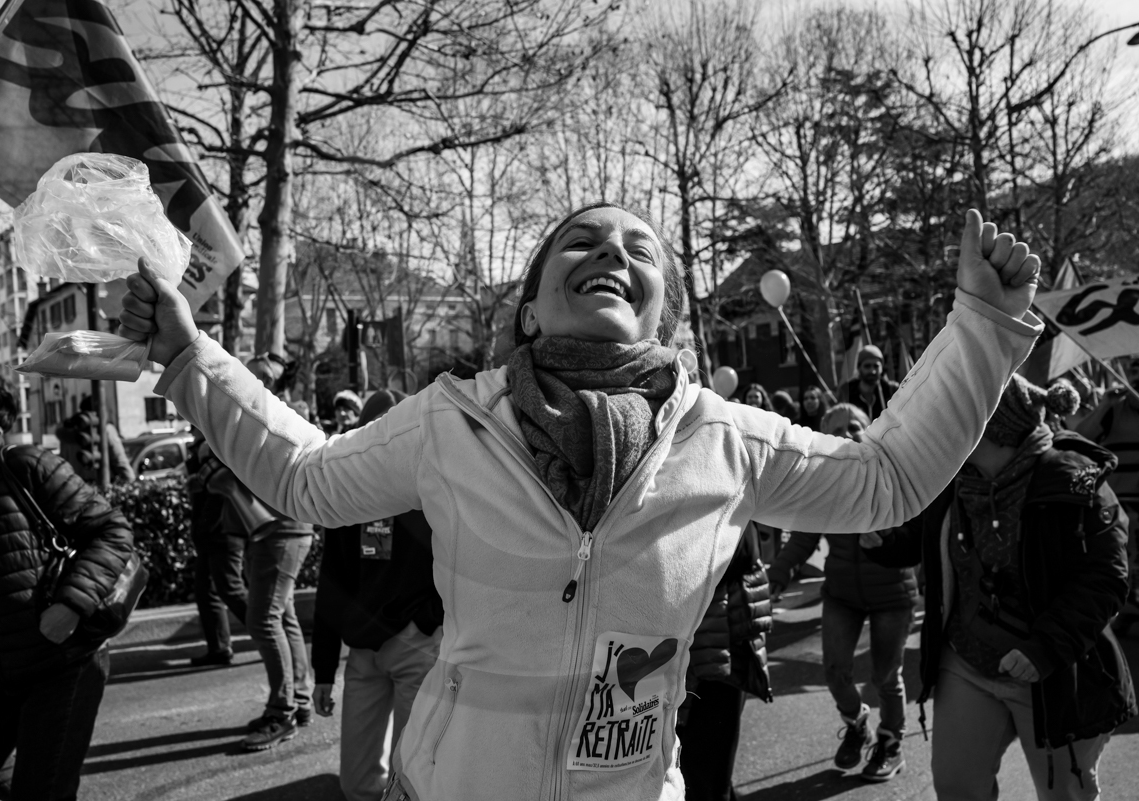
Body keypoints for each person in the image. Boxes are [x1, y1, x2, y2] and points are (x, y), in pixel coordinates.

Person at [117, 203, 1041, 800]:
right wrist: (189, 357)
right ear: (529, 309)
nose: (611, 252)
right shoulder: (450, 422)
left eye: (638, 249)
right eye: (583, 242)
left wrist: (985, 328)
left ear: (663, 315)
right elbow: (306, 477)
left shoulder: (725, 438)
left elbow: (885, 479)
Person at [863, 374, 1134, 800]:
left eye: (952, 417)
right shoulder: (952, 480)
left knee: (1068, 795)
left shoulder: (1074, 481)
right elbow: (919, 540)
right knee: (957, 787)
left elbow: (1106, 578)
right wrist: (882, 541)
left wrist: (1044, 648)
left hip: (1055, 672)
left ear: (987, 426)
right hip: (968, 660)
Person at [0, 358, 134, 800]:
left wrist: (71, 605)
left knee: (41, 793)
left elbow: (112, 531)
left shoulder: (25, 465)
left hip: (63, 664)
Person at [767, 403, 917, 782]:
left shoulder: (895, 475)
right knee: (835, 672)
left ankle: (890, 742)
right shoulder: (821, 482)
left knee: (886, 677)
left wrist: (888, 539)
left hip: (892, 594)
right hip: (842, 595)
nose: (848, 432)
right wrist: (777, 576)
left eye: (855, 426)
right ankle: (857, 722)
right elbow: (802, 538)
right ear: (823, 435)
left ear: (869, 431)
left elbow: (919, 534)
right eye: (837, 428)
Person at [313, 389, 445, 801]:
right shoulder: (348, 492)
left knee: (412, 780)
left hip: (417, 644)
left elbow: (464, 565)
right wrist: (321, 670)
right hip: (364, 651)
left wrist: (430, 622)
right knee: (356, 783)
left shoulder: (434, 486)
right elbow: (332, 580)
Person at [232, 356, 317, 751]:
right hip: (273, 529)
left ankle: (282, 711)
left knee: (263, 618)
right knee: (282, 617)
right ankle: (298, 701)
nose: (256, 380)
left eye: (264, 376)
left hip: (284, 527)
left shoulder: (285, 414)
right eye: (251, 372)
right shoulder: (255, 411)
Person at [677, 523, 772, 801]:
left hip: (721, 646)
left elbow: (740, 551)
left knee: (706, 771)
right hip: (684, 643)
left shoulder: (727, 490)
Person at [1075, 357, 1139, 631]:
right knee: (1123, 559)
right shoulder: (1113, 408)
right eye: (1133, 371)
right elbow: (1080, 437)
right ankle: (1126, 610)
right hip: (1121, 504)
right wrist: (1103, 406)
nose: (1136, 377)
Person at [184, 428, 248, 668]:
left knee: (229, 588)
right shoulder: (203, 444)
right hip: (209, 528)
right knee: (206, 590)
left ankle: (270, 631)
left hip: (223, 527)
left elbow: (222, 485)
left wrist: (200, 476)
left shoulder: (219, 441)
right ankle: (219, 648)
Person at [54, 395, 136, 486]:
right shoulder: (106, 430)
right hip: (101, 486)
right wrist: (132, 485)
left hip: (76, 487)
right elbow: (120, 462)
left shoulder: (67, 433)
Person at [841, 345, 899, 421]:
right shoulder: (847, 392)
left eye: (876, 366)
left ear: (881, 368)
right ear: (859, 367)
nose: (872, 371)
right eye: (867, 366)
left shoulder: (892, 390)